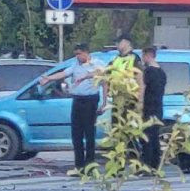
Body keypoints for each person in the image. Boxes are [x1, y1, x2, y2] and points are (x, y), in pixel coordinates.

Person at [40, 43, 104, 175]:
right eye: (76, 54)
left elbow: (103, 77)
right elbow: (64, 73)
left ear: (86, 53)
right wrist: (49, 78)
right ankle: (79, 166)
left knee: (89, 133)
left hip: (90, 100)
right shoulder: (75, 65)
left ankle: (90, 166)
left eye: (79, 54)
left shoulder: (96, 63)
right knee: (77, 134)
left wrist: (104, 102)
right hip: (78, 100)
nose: (77, 57)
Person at [107, 35, 144, 143]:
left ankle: (130, 156)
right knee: (117, 129)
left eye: (119, 42)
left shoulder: (134, 58)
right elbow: (105, 73)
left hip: (130, 100)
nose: (116, 45)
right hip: (117, 100)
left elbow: (140, 80)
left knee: (128, 130)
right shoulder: (116, 58)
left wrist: (140, 100)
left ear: (127, 43)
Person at [141, 46, 167, 169]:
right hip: (158, 108)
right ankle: (155, 165)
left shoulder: (148, 71)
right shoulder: (162, 72)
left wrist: (139, 104)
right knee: (155, 137)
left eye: (143, 56)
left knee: (146, 138)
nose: (142, 58)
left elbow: (142, 89)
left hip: (148, 107)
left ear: (148, 55)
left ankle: (146, 165)